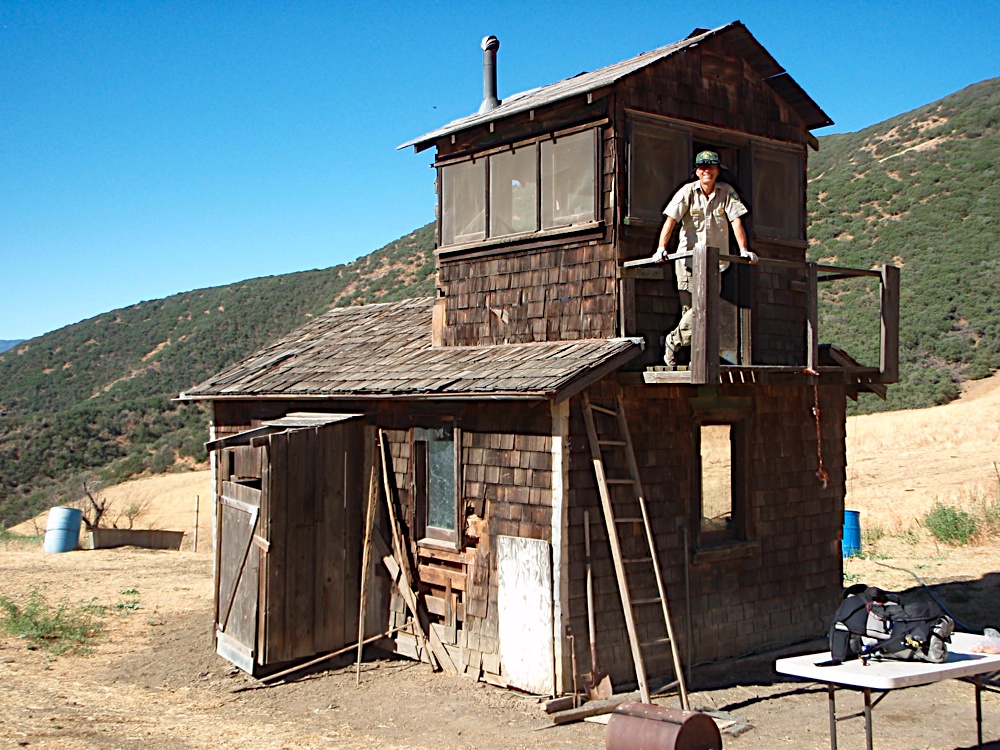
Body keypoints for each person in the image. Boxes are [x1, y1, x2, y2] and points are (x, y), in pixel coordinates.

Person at [651, 150, 758, 367]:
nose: (706, 170)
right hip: (688, 262)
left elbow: (736, 221)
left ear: (718, 170)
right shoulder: (686, 192)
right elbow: (670, 221)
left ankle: (675, 345)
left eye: (711, 167)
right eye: (702, 167)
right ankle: (682, 351)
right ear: (697, 172)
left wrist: (744, 249)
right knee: (693, 311)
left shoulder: (727, 192)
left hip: (715, 263)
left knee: (705, 309)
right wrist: (661, 248)